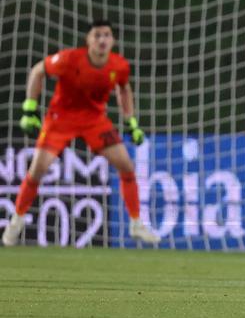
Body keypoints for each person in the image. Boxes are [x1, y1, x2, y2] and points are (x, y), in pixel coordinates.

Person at [3, 19, 157, 247]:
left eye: (107, 35)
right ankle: (15, 222)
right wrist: (29, 108)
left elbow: (123, 89)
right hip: (60, 119)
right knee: (37, 170)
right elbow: (37, 71)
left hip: (95, 120)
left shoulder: (119, 66)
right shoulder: (69, 59)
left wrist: (131, 122)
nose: (102, 40)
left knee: (126, 165)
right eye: (97, 35)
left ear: (112, 40)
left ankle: (136, 223)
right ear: (89, 40)